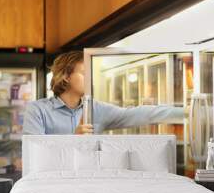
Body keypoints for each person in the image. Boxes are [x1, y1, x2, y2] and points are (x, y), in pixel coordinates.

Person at [23, 51, 184, 135]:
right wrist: (73, 139)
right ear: (66, 77)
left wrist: (187, 112)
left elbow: (141, 114)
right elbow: (34, 156)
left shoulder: (96, 109)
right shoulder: (37, 111)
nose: (90, 79)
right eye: (84, 73)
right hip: (52, 189)